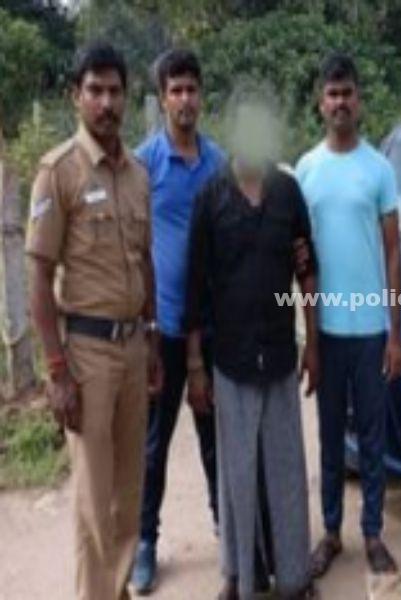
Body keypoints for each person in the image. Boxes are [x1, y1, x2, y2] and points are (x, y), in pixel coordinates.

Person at [26, 42, 163, 600]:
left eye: (115, 91)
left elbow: (145, 262)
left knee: (127, 497)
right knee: (92, 502)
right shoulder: (58, 172)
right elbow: (38, 277)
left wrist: (152, 338)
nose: (106, 103)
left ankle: (116, 592)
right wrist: (57, 371)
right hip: (86, 357)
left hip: (132, 349)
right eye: (95, 91)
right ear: (75, 97)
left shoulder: (137, 175)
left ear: (127, 98)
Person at [185, 90, 318, 599]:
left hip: (281, 354)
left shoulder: (287, 192)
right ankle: (239, 576)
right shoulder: (210, 198)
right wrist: (195, 366)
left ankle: (294, 576)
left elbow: (307, 270)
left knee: (286, 472)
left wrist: (314, 344)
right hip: (231, 359)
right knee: (237, 474)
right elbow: (195, 288)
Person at [294, 52, 401, 576]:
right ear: (321, 103)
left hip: (371, 332)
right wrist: (308, 340)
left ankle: (374, 533)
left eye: (347, 94)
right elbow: (300, 260)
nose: (340, 102)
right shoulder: (305, 171)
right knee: (330, 438)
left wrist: (396, 334)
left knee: (374, 440)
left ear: (359, 102)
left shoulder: (380, 170)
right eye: (332, 94)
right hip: (328, 334)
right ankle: (332, 533)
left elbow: (394, 253)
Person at [130, 48, 225, 594]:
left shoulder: (217, 163)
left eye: (192, 89)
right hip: (163, 328)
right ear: (163, 98)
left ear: (201, 96)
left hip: (211, 328)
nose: (185, 99)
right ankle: (145, 541)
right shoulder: (143, 164)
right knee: (154, 444)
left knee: (216, 437)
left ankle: (225, 528)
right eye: (176, 90)